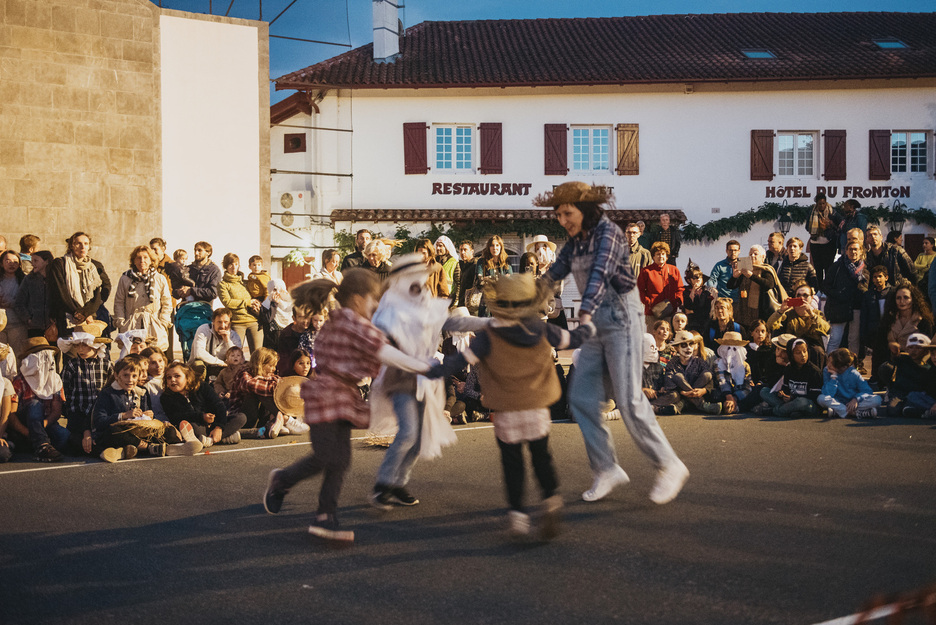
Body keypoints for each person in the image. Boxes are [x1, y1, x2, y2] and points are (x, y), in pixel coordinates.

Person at [536, 181, 688, 505]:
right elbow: (552, 276)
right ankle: (606, 468)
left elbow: (599, 275)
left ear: (585, 208)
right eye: (558, 214)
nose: (562, 220)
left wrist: (586, 311)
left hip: (621, 320)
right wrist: (522, 297)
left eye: (567, 213)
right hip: (594, 327)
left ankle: (670, 464)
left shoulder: (609, 234)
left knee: (629, 400)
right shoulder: (573, 243)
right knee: (580, 398)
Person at [262, 270, 435, 543]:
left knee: (339, 460)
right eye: (372, 300)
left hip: (342, 397)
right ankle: (283, 481)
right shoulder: (350, 322)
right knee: (326, 457)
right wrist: (423, 366)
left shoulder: (344, 321)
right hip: (326, 396)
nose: (376, 306)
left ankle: (325, 516)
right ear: (357, 299)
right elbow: (383, 352)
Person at [426, 272, 595, 538]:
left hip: (506, 409)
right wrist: (588, 325)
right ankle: (551, 500)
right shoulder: (540, 328)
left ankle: (517, 516)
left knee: (512, 462)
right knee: (541, 457)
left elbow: (459, 361)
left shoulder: (488, 336)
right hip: (536, 407)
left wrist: (431, 371)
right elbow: (572, 339)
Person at [369, 255, 458, 510]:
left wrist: (490, 322)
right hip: (400, 378)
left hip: (425, 379)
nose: (419, 278)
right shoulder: (391, 306)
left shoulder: (426, 302)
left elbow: (450, 321)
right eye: (413, 274)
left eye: (422, 273)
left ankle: (398, 483)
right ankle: (382, 485)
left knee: (419, 439)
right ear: (399, 278)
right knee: (408, 432)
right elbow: (380, 339)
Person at [93, 356, 201, 461]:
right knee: (114, 431)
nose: (130, 380)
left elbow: (147, 417)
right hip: (118, 433)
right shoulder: (107, 393)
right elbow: (99, 421)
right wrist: (124, 415)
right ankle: (152, 448)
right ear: (116, 376)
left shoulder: (142, 391)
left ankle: (132, 450)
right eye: (125, 375)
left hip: (139, 433)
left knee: (168, 430)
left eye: (134, 376)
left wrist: (149, 415)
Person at [162, 361, 246, 446]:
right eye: (169, 378)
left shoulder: (202, 386)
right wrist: (202, 417)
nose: (172, 380)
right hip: (196, 426)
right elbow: (176, 417)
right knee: (191, 427)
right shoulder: (166, 397)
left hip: (213, 424)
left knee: (241, 417)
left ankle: (209, 440)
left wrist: (219, 427)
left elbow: (219, 405)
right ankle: (224, 437)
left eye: (177, 376)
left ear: (187, 377)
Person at [11, 338, 67, 462]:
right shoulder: (20, 380)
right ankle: (41, 446)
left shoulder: (55, 380)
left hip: (46, 424)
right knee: (35, 404)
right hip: (24, 426)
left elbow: (56, 411)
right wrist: (27, 432)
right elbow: (11, 414)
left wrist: (41, 428)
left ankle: (40, 445)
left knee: (64, 437)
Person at [59, 331, 113, 456]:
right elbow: (64, 388)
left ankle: (102, 449)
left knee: (103, 436)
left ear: (95, 345)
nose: (80, 349)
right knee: (74, 442)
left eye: (84, 345)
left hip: (99, 412)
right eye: (77, 346)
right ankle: (100, 451)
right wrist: (67, 409)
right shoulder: (72, 365)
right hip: (78, 412)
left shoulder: (107, 364)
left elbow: (111, 390)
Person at [113, 245, 173, 353]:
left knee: (153, 355)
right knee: (132, 357)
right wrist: (121, 323)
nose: (142, 261)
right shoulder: (125, 278)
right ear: (133, 261)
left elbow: (167, 303)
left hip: (153, 324)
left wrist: (163, 322)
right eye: (138, 258)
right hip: (131, 323)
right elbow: (119, 302)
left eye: (145, 257)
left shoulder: (159, 278)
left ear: (151, 260)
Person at [822, 240, 869, 353]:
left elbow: (866, 287)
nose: (853, 252)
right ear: (846, 251)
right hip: (839, 307)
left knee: (854, 340)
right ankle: (830, 366)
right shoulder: (837, 266)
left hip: (856, 307)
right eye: (851, 249)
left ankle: (852, 366)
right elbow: (825, 286)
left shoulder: (865, 268)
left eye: (856, 249)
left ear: (861, 251)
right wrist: (838, 294)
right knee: (835, 339)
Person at [660, 330, 720, 415]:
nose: (688, 348)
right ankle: (702, 405)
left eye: (691, 344)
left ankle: (685, 403)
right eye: (684, 345)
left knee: (707, 374)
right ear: (677, 348)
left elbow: (710, 378)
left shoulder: (699, 361)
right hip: (681, 393)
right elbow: (668, 381)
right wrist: (682, 392)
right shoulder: (672, 363)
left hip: (698, 392)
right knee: (678, 376)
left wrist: (704, 390)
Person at [760, 338, 822, 419]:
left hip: (808, 405)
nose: (803, 355)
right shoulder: (789, 368)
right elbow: (786, 388)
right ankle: (792, 411)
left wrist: (793, 398)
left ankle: (774, 411)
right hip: (791, 402)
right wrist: (782, 394)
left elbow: (815, 396)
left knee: (801, 402)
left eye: (804, 351)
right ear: (791, 355)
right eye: (798, 353)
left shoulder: (814, 371)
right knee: (764, 391)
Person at [727, 244, 785, 330]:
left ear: (763, 257)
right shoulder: (746, 269)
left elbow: (769, 285)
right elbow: (730, 286)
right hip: (744, 312)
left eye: (755, 254)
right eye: (750, 254)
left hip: (761, 311)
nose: (752, 256)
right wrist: (734, 277)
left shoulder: (766, 270)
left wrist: (752, 276)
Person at [880, 333, 936, 418]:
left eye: (918, 348)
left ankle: (917, 410)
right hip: (899, 395)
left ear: (925, 351)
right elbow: (895, 356)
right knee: (893, 410)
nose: (913, 351)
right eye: (911, 347)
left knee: (913, 397)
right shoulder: (903, 359)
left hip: (917, 394)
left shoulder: (928, 367)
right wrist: (895, 351)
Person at [218, 253, 262, 356]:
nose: (234, 267)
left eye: (236, 264)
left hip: (254, 321)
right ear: (225, 266)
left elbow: (256, 294)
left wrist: (257, 302)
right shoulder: (223, 284)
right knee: (236, 354)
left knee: (258, 354)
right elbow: (227, 302)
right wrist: (247, 302)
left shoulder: (245, 282)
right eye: (230, 264)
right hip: (238, 323)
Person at [818, 348, 882, 419]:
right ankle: (856, 413)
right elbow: (827, 393)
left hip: (853, 403)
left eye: (831, 363)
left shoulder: (853, 373)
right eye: (828, 361)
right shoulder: (826, 371)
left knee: (877, 400)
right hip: (838, 401)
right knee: (821, 398)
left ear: (843, 367)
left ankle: (839, 412)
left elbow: (867, 391)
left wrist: (856, 399)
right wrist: (833, 377)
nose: (828, 365)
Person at [880, 283, 935, 361]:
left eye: (906, 297)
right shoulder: (888, 319)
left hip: (917, 364)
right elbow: (879, 348)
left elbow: (928, 348)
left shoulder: (923, 321)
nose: (902, 301)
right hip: (892, 363)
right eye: (898, 298)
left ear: (913, 299)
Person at [637, 242, 683, 329]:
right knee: (653, 339)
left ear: (666, 256)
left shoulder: (674, 270)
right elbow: (640, 290)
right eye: (658, 254)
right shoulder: (646, 271)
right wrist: (649, 302)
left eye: (663, 254)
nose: (660, 256)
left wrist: (676, 302)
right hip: (652, 313)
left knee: (668, 339)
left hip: (670, 312)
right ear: (653, 257)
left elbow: (680, 288)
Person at [860, 266, 893, 385]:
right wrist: (863, 334)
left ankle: (888, 379)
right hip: (875, 330)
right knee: (876, 356)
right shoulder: (868, 295)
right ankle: (876, 378)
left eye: (880, 276)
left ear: (886, 278)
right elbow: (864, 315)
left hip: (890, 330)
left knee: (889, 356)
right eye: (875, 277)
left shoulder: (892, 293)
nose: (877, 279)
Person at [188, 307, 243, 379]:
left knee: (237, 367)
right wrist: (219, 362)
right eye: (219, 322)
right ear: (213, 321)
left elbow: (239, 358)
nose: (222, 326)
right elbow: (199, 353)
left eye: (226, 322)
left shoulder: (234, 335)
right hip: (206, 365)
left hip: (221, 367)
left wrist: (227, 341)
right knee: (198, 365)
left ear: (230, 322)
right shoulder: (203, 329)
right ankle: (199, 388)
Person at [13, 250, 53, 340]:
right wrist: (28, 319)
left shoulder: (55, 279)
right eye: (32, 261)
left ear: (46, 261)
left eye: (36, 261)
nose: (32, 263)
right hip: (34, 327)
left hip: (53, 327)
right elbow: (19, 303)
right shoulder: (29, 279)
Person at [714, 331, 754, 414]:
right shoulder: (718, 363)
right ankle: (730, 407)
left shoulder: (745, 366)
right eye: (728, 348)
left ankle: (734, 407)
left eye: (735, 349)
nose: (730, 352)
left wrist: (734, 398)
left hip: (739, 394)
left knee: (752, 393)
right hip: (724, 393)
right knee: (715, 395)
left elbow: (747, 387)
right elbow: (722, 381)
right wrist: (729, 397)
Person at [476, 235, 513, 317]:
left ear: (501, 247)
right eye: (492, 245)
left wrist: (489, 279)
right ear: (489, 247)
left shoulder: (506, 261)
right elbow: (480, 281)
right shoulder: (481, 261)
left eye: (497, 245)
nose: (494, 248)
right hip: (487, 302)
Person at [805, 193, 837, 285]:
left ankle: (827, 287)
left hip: (828, 243)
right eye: (820, 204)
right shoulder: (811, 212)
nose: (822, 205)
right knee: (818, 268)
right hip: (815, 243)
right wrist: (815, 227)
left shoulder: (832, 212)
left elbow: (839, 225)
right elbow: (807, 227)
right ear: (816, 204)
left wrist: (830, 224)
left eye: (823, 203)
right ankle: (819, 287)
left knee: (828, 267)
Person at [0, 250, 27, 356]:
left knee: (18, 355)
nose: (12, 264)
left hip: (18, 324)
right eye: (8, 261)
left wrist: (11, 303)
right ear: (1, 263)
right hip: (1, 324)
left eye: (15, 261)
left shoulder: (24, 280)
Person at [683, 267, 716, 334]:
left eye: (699, 277)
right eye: (694, 277)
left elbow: (707, 308)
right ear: (690, 280)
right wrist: (693, 291)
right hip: (691, 321)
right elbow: (688, 307)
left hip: (705, 321)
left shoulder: (707, 292)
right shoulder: (686, 291)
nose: (698, 279)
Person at [435, 236, 459, 304]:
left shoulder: (454, 263)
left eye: (440, 246)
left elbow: (458, 283)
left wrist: (455, 300)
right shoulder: (433, 261)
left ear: (446, 247)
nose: (438, 248)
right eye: (437, 245)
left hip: (448, 299)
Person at [454, 240, 477, 308]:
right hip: (462, 303)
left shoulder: (475, 266)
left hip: (471, 305)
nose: (462, 252)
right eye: (461, 250)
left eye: (465, 250)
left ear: (472, 251)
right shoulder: (461, 265)